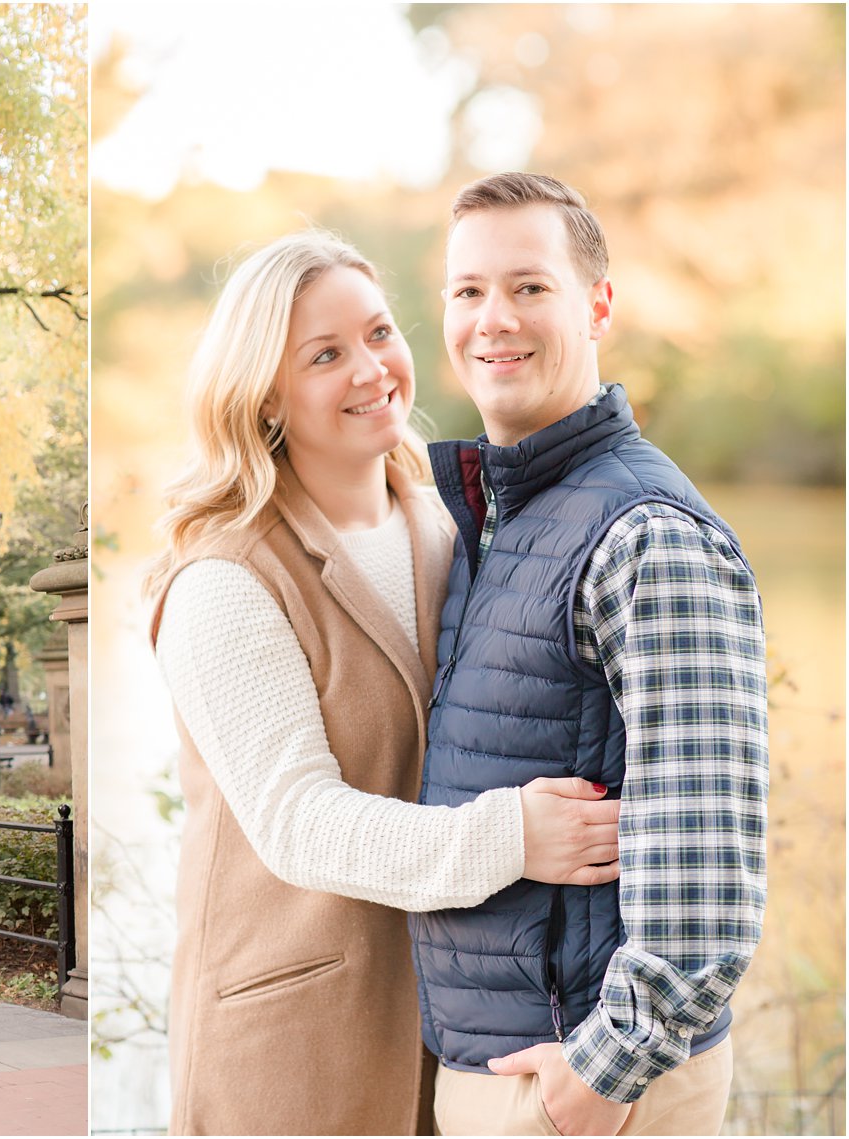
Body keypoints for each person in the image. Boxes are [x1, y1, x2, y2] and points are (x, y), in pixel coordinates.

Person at [145, 230, 624, 1136]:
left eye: (377, 333)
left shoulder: (444, 526)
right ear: (265, 395)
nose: (372, 370)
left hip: (454, 1035)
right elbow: (298, 822)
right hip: (295, 1044)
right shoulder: (226, 580)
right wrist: (514, 836)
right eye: (325, 355)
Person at [414, 172, 768, 1136]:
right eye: (469, 290)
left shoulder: (644, 531)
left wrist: (601, 1073)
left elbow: (707, 851)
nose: (495, 319)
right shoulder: (498, 516)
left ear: (597, 304)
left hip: (587, 1087)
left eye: (530, 287)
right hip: (508, 1068)